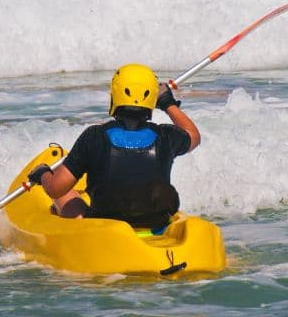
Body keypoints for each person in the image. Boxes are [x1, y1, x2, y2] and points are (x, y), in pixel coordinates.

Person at [27, 63, 200, 230]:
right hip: (154, 224)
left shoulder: (94, 136)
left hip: (104, 228)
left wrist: (43, 175)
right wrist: (168, 103)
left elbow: (56, 189)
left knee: (67, 195)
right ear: (151, 100)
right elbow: (194, 136)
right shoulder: (166, 136)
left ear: (114, 97)